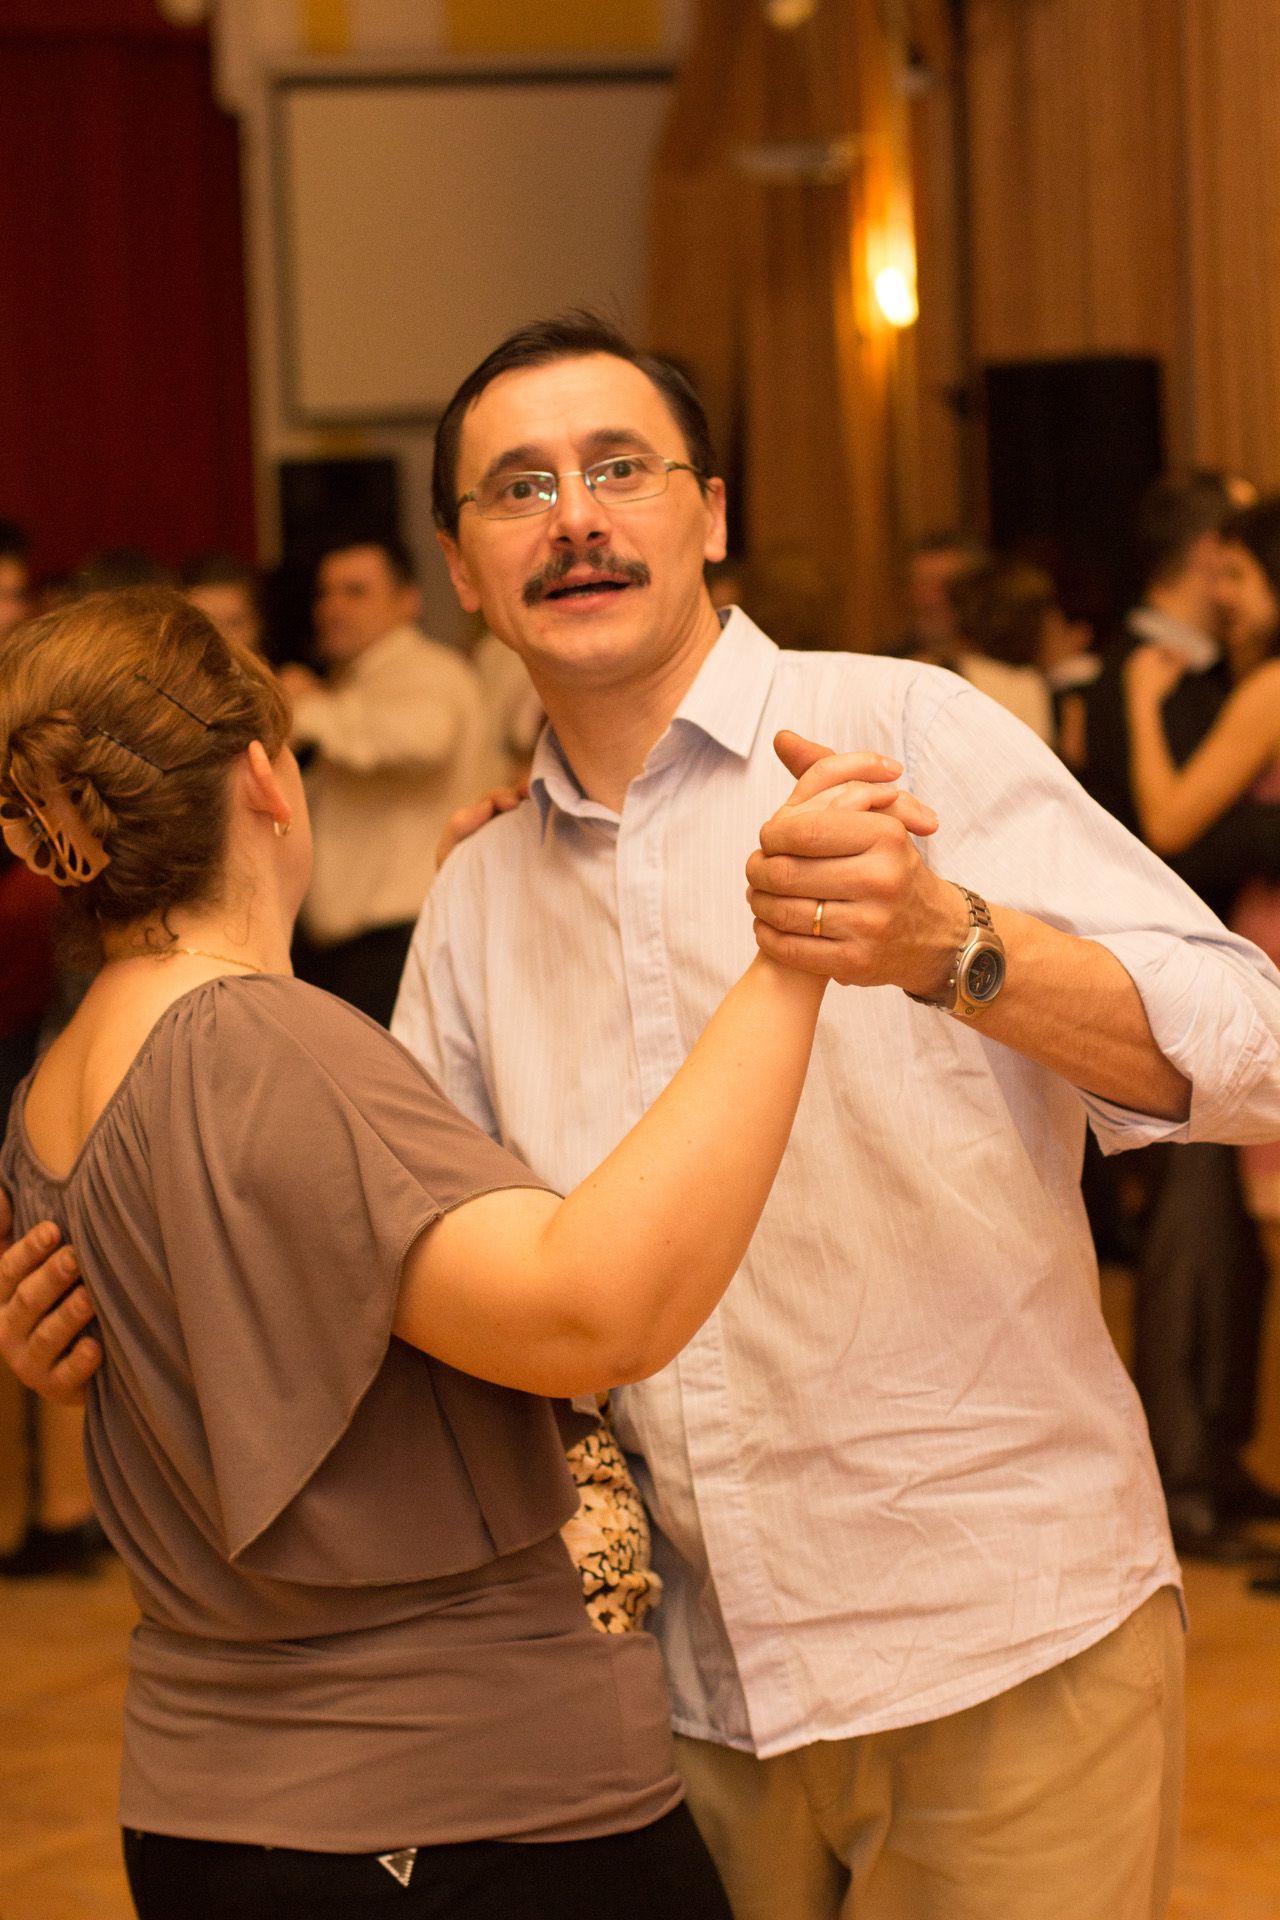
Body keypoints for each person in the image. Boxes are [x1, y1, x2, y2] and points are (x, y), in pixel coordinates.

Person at [8, 316, 1280, 1920]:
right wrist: (123, 1323)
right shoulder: (476, 897)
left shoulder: (907, 730)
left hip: (999, 1645)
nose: (576, 519)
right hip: (675, 1707)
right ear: (463, 571)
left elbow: (1256, 1048)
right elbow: (426, 1303)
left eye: (621, 469)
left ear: (712, 513)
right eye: (518, 488)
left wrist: (951, 943)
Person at [0, 584, 888, 1918]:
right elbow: (593, 1314)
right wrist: (793, 953)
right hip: (454, 1816)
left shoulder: (57, 1087)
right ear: (265, 779)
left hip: (209, 1812)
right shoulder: (261, 1043)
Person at [1082, 475, 1280, 1559]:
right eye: (1227, 564)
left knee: (1231, 1245)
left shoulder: (1226, 680)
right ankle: (1189, 1472)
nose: (1232, 588)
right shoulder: (1143, 673)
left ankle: (1214, 1461)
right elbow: (1154, 831)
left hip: (1241, 970)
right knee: (1197, 1242)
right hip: (1181, 986)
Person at [279, 535, 493, 1026]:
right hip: (353, 954)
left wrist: (305, 710)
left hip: (401, 943)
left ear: (407, 601)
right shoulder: (351, 684)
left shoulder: (429, 669)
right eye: (325, 593)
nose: (333, 607)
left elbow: (425, 739)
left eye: (355, 592)